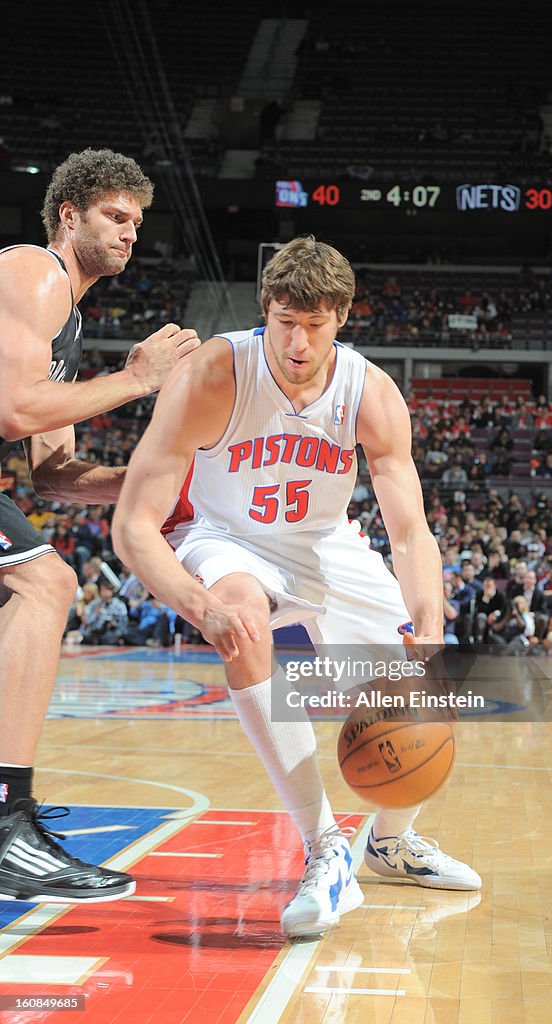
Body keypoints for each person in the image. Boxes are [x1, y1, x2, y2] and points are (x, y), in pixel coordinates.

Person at [113, 235, 482, 939]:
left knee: (431, 692)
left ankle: (388, 843)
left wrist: (428, 627)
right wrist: (199, 603)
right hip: (227, 538)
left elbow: (408, 534)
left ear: (341, 317)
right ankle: (323, 850)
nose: (298, 339)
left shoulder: (370, 391)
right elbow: (134, 524)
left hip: (326, 546)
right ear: (266, 311)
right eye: (285, 319)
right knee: (244, 619)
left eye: (314, 324)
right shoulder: (216, 372)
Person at [0, 149, 199, 903]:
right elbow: (14, 410)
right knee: (43, 583)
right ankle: (6, 826)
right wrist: (138, 379)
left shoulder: (70, 320)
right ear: (68, 215)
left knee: (37, 587)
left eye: (138, 222)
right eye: (116, 216)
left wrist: (160, 479)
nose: (129, 233)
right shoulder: (31, 271)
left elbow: (52, 472)